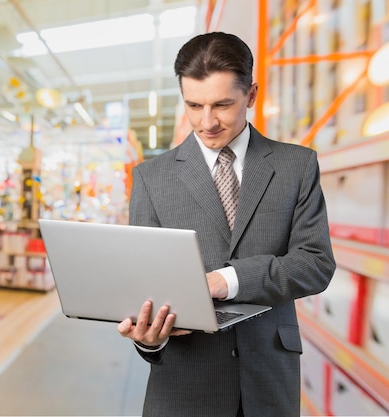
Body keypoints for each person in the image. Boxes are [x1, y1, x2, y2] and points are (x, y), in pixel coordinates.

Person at [117, 32, 336, 417]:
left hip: (268, 378)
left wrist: (225, 280)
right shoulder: (153, 178)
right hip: (184, 385)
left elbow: (315, 263)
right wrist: (148, 340)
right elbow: (145, 285)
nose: (207, 122)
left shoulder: (295, 166)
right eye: (194, 105)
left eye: (222, 104)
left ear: (250, 95)